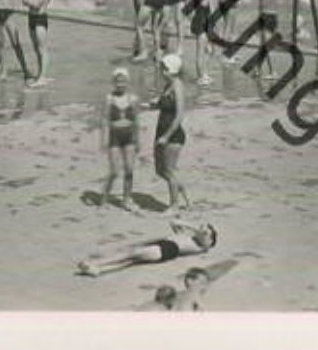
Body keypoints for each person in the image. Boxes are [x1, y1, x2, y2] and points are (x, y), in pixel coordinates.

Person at [75, 221, 218, 277]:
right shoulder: (187, 237)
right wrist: (191, 227)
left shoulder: (200, 246)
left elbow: (207, 244)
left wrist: (199, 230)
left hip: (167, 249)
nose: (201, 230)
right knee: (131, 261)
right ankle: (99, 270)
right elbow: (174, 222)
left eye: (204, 232)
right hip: (164, 247)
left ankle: (96, 264)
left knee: (129, 255)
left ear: (208, 239)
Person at [153, 53, 191, 210]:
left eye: (163, 69)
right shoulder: (168, 86)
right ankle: (185, 195)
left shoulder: (177, 86)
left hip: (173, 135)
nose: (161, 72)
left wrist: (166, 136)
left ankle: (174, 206)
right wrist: (153, 105)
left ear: (170, 70)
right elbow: (165, 106)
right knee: (160, 170)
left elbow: (179, 115)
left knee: (169, 170)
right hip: (161, 131)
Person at [100, 68, 139, 210]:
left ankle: (126, 199)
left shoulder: (133, 99)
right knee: (114, 171)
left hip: (129, 136)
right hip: (115, 136)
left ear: (127, 82)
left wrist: (138, 139)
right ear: (113, 82)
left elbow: (136, 120)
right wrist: (103, 139)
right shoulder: (109, 98)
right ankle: (104, 199)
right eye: (118, 81)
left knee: (129, 169)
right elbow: (104, 119)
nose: (120, 84)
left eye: (123, 81)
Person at [21, 0, 55, 85]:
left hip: (41, 17)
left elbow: (38, 3)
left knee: (42, 48)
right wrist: (31, 0)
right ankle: (40, 73)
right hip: (31, 17)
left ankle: (43, 76)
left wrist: (30, 0)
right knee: (36, 48)